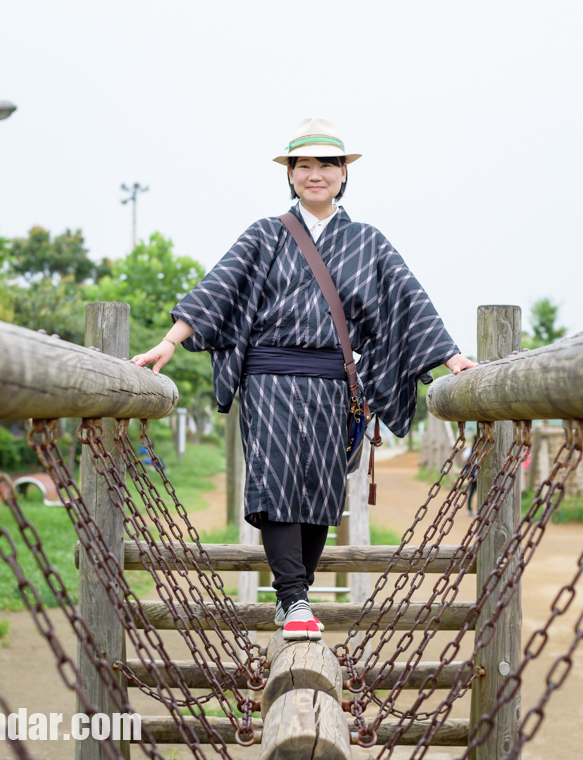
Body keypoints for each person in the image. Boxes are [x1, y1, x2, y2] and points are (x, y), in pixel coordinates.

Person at [133, 117, 475, 641]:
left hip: (333, 383)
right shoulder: (265, 233)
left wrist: (450, 358)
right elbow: (219, 288)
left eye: (327, 165)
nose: (316, 174)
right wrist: (170, 341)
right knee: (276, 481)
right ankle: (294, 599)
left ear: (344, 174)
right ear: (290, 174)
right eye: (304, 165)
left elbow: (410, 300)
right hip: (269, 378)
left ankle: (295, 597)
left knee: (319, 489)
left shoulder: (369, 242)